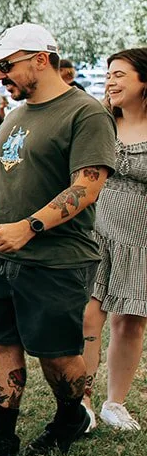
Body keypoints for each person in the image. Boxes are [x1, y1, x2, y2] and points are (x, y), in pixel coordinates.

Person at [0, 24, 117, 456]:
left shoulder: (86, 113)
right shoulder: (14, 115)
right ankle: (1, 436)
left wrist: (31, 226)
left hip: (57, 259)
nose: (0, 75)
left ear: (41, 58)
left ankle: (70, 417)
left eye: (6, 66)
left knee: (58, 354)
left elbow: (89, 184)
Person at [81, 48, 147, 431]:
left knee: (131, 322)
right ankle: (83, 401)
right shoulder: (101, 121)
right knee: (89, 313)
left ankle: (115, 403)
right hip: (97, 232)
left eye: (120, 74)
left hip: (140, 240)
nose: (110, 80)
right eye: (108, 74)